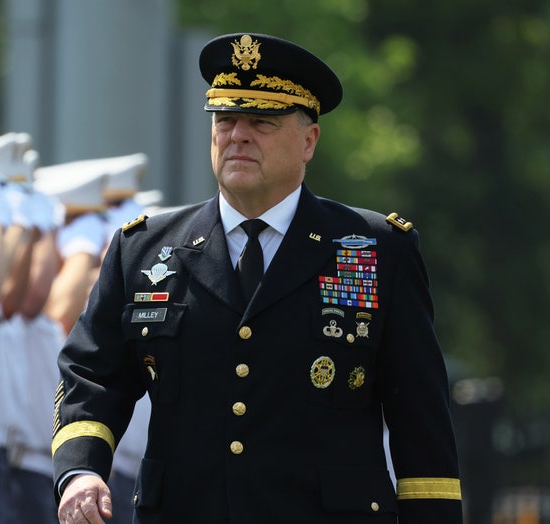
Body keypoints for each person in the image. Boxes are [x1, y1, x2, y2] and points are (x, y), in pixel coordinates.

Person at [52, 32, 463, 523]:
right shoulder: (143, 248)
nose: (237, 135)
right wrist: (81, 470)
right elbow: (92, 374)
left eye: (262, 122)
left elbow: (420, 420)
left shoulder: (377, 249)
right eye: (225, 119)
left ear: (308, 140)